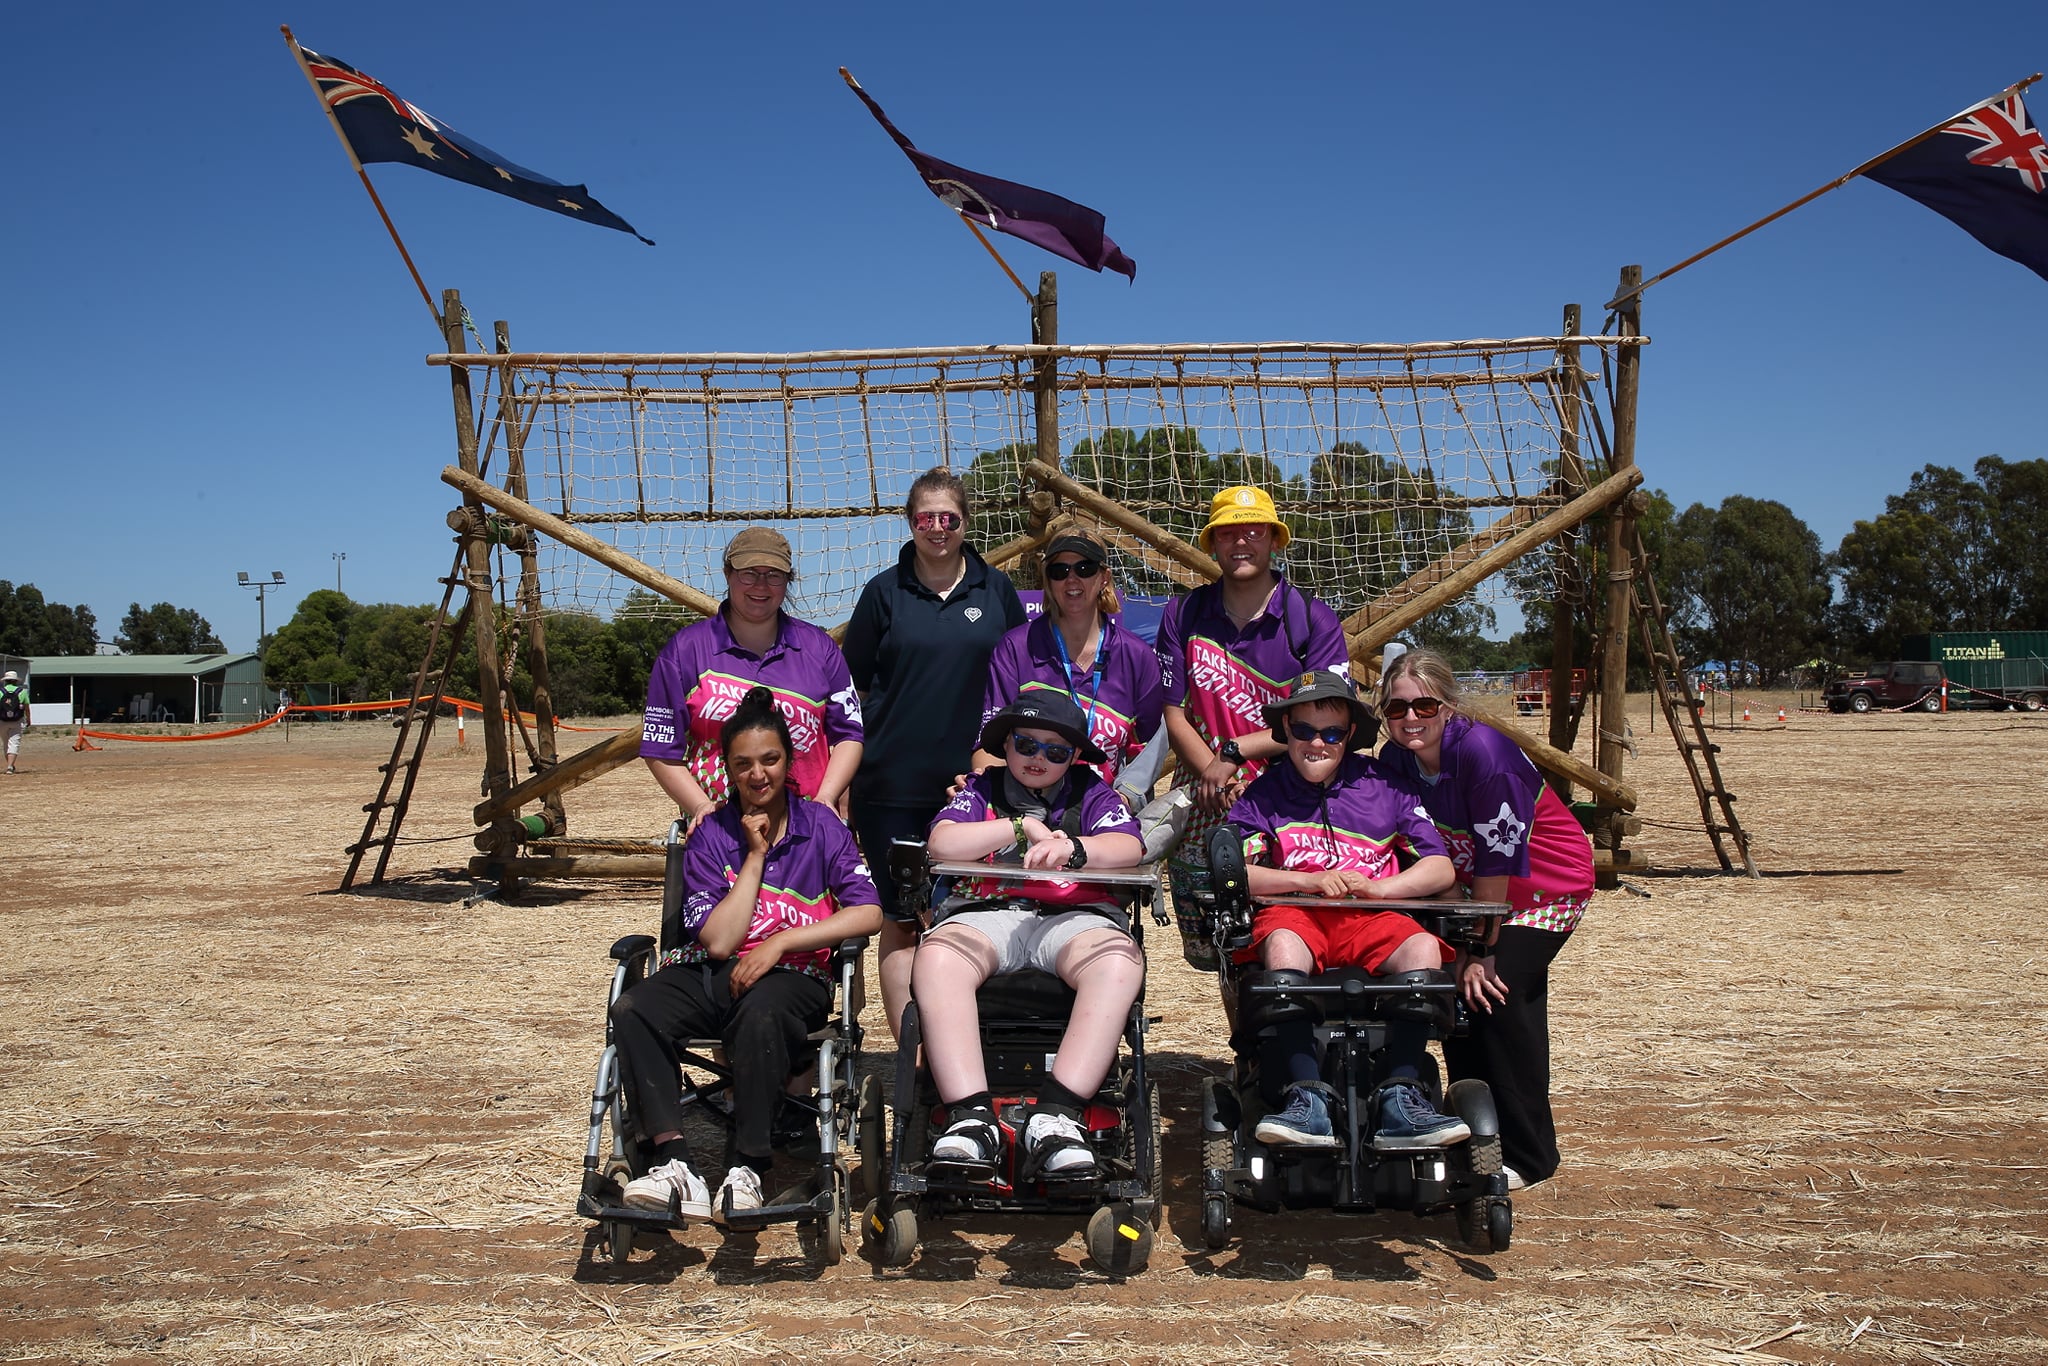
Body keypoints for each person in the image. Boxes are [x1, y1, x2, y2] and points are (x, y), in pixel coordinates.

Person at [613, 687, 883, 1221]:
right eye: (743, 764)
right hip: (714, 970)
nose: (758, 775)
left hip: (795, 976)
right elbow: (718, 942)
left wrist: (780, 942)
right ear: (728, 769)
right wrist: (754, 856)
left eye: (770, 759)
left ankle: (748, 1166)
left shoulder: (821, 826)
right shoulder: (711, 833)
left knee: (760, 1012)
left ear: (789, 760)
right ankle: (673, 1161)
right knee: (634, 1008)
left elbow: (868, 912)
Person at [1375, 647, 1595, 1190]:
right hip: (1470, 890)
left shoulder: (1484, 753)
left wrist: (1479, 951)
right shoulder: (1396, 759)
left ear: (1448, 705)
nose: (1410, 719)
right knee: (1451, 1000)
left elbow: (1498, 864)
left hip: (1541, 887)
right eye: (1396, 709)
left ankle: (1529, 1153)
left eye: (1424, 706)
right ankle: (1474, 1131)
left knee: (1495, 996)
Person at [1228, 670, 1470, 1152]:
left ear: (1350, 735)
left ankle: (1401, 1096)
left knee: (1423, 947)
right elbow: (1237, 872)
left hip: (1373, 915)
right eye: (1303, 730)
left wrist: (1382, 889)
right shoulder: (1263, 793)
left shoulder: (1386, 786)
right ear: (1286, 731)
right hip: (1295, 914)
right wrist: (1308, 881)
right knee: (1282, 946)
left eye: (1332, 733)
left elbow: (1440, 867)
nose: (1317, 743)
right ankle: (1306, 1097)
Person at [915, 693, 1147, 1179]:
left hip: (1073, 917)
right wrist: (1020, 827)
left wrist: (1076, 848)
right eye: (1026, 745)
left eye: (1056, 751)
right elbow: (941, 842)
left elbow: (1129, 845)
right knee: (937, 958)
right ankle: (971, 1117)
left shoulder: (1092, 791)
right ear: (1006, 744)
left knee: (1118, 960)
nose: (1039, 758)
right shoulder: (982, 788)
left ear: (1075, 756)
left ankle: (1058, 1115)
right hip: (988, 913)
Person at [843, 468, 1027, 1038]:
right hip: (891, 786)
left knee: (974, 919)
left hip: (976, 789)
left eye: (949, 517)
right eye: (926, 518)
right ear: (910, 523)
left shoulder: (996, 591)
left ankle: (967, 1048)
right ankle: (912, 1062)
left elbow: (1018, 681)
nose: (938, 528)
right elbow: (852, 688)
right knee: (901, 920)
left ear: (966, 522)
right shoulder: (883, 592)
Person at [1155, 485, 1350, 967]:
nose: (1240, 542)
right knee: (1222, 947)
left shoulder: (1311, 618)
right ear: (1212, 544)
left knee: (1293, 923)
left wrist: (1236, 753)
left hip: (1292, 794)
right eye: (1227, 533)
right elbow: (1174, 713)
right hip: (1207, 791)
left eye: (1254, 531)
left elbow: (1326, 721)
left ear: (1275, 540)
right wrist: (1217, 775)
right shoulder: (1183, 613)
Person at [642, 527, 864, 829]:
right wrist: (701, 807)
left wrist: (827, 797)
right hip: (720, 830)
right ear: (727, 574)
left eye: (774, 575)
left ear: (788, 580)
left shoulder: (820, 648)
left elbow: (850, 734)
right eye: (748, 573)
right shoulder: (684, 650)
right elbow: (660, 748)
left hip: (807, 828)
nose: (761, 585)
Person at [976, 530, 1165, 798]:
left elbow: (1147, 748)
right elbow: (990, 746)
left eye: (1085, 568)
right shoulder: (1015, 648)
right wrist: (983, 793)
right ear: (1048, 580)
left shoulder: (1137, 656)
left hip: (1106, 808)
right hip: (1029, 809)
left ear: (1104, 577)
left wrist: (1122, 801)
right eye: (1059, 571)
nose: (1072, 579)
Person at [0, 670, 27, 776]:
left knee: (6, 743)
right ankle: (10, 766)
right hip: (17, 720)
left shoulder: (1, 691)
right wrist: (29, 718)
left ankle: (10, 764)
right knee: (14, 742)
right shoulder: (22, 692)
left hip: (2, 721)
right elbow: (27, 707)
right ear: (16, 681)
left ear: (5, 681)